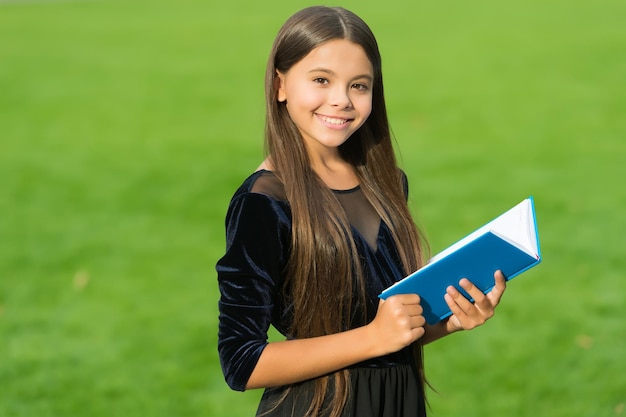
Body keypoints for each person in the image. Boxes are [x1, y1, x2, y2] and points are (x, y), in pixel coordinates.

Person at [216, 6, 507, 417]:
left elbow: (387, 329)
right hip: (318, 407)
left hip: (397, 403)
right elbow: (241, 361)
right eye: (321, 80)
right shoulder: (264, 202)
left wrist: (450, 320)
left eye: (359, 85)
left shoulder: (386, 182)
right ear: (280, 84)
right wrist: (375, 336)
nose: (341, 100)